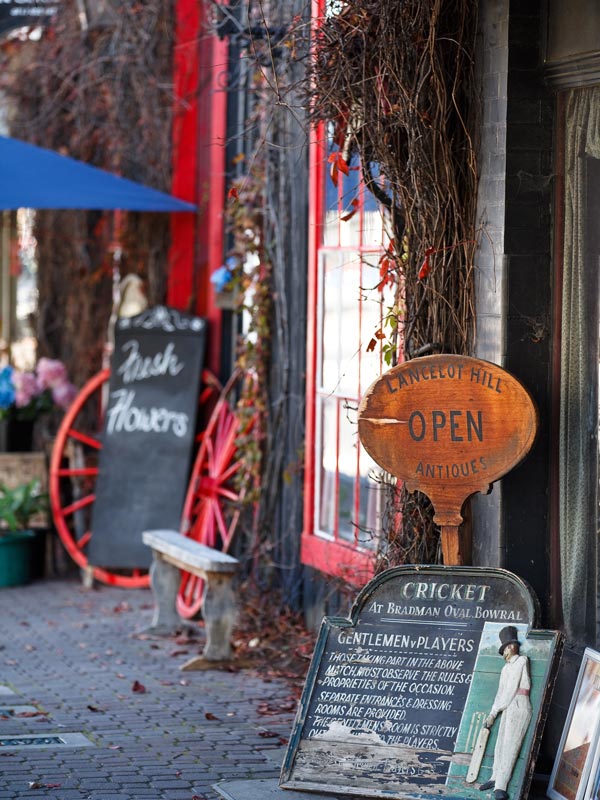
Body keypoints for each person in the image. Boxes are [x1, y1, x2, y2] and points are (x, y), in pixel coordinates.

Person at [479, 626, 532, 800]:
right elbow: (500, 693)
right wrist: (492, 714)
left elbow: (510, 691)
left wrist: (497, 710)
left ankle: (501, 786)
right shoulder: (505, 669)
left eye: (505, 649)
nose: (504, 653)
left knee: (510, 746)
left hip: (519, 705)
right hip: (508, 706)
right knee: (500, 744)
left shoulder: (521, 661)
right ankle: (495, 777)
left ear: (511, 647)